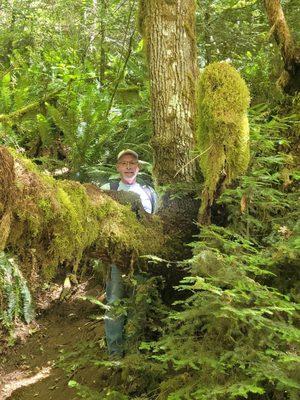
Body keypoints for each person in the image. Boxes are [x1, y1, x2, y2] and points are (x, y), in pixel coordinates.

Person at [101, 149, 157, 358]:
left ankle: (133, 351)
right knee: (114, 301)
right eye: (124, 163)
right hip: (115, 257)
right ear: (118, 167)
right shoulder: (108, 188)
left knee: (139, 303)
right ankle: (115, 354)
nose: (128, 166)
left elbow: (156, 224)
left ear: (138, 167)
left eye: (132, 163)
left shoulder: (148, 192)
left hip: (142, 257)